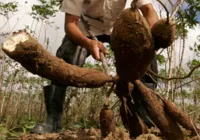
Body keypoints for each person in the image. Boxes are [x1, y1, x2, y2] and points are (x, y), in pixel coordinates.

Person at [31, 0, 159, 134]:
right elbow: (70, 23)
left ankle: (144, 121)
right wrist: (87, 43)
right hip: (87, 26)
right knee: (65, 58)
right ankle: (53, 121)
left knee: (146, 61)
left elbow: (149, 11)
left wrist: (150, 40)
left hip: (121, 26)